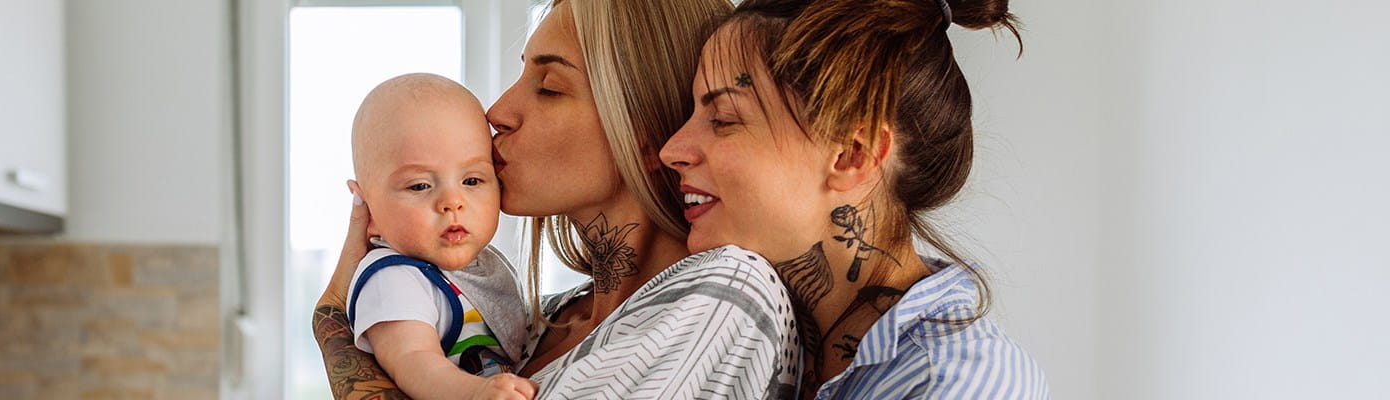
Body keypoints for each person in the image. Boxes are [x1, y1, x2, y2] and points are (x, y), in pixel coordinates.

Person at [313, 0, 801, 399]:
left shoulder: (721, 294)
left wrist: (334, 323)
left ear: (643, 133)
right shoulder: (536, 320)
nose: (497, 111)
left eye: (548, 87)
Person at [659, 0, 1049, 397]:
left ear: (852, 155)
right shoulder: (747, 334)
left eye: (723, 120)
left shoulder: (961, 382)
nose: (671, 150)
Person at [342, 73, 533, 400]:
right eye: (419, 186)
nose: (452, 202)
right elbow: (414, 363)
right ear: (369, 211)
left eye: (472, 181)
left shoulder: (479, 268)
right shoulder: (394, 278)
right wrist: (476, 393)